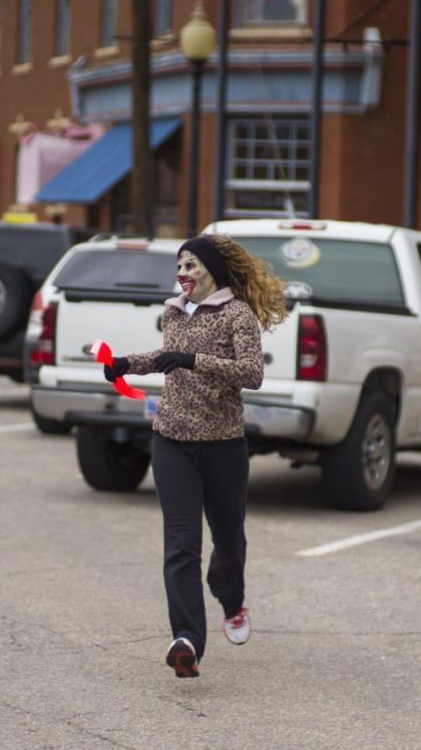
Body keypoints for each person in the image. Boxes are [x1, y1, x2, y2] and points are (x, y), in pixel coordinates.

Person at [103, 234, 286, 679]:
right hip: (171, 442)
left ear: (211, 270)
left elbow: (252, 373)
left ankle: (231, 601)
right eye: (179, 267)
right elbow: (168, 357)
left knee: (228, 542)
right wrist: (127, 363)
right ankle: (186, 640)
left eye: (191, 266)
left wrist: (194, 359)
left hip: (223, 445)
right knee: (181, 545)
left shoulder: (236, 314)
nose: (182, 274)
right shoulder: (173, 310)